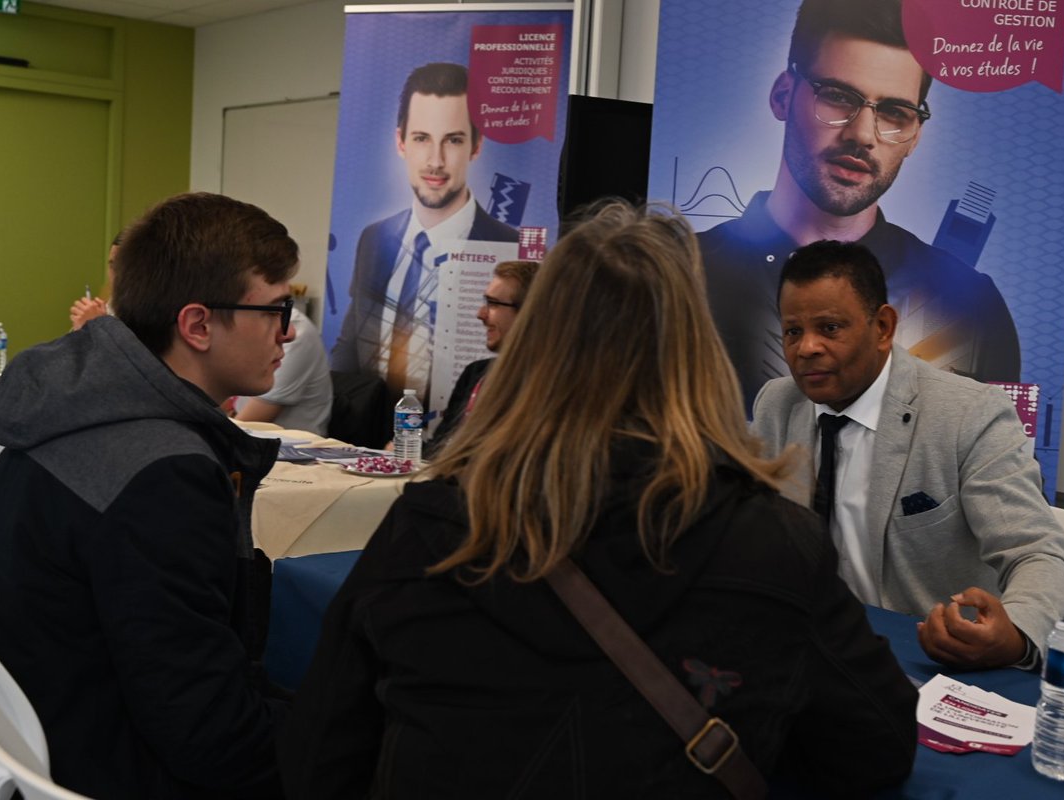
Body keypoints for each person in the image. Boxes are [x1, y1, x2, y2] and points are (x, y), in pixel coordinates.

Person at [279, 202, 917, 798]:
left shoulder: (429, 528)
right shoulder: (775, 545)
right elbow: (876, 749)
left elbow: (321, 755)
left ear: (536, 347)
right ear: (697, 351)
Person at [0, 192, 297, 799]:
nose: (287, 335)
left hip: (38, 749)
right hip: (107, 769)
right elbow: (205, 733)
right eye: (277, 310)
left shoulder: (66, 410)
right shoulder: (162, 472)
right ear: (197, 325)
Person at [751, 239, 1064, 670]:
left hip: (932, 662)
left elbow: (1038, 553)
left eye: (830, 328)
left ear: (883, 327)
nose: (806, 348)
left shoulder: (967, 414)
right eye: (793, 331)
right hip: (808, 648)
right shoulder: (778, 404)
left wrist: (1014, 634)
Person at [699, 0, 1020, 416]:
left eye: (894, 112)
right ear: (782, 95)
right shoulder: (675, 279)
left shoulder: (970, 307)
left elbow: (998, 470)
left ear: (916, 134)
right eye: (837, 96)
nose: (863, 134)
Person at [329, 62, 519, 403]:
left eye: (453, 140)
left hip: (454, 436)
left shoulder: (510, 249)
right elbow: (351, 344)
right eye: (421, 138)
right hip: (370, 437)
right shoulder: (374, 239)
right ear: (401, 142)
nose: (435, 160)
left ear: (476, 146)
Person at [424, 258, 539, 456]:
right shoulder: (476, 373)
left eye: (493, 304)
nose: (480, 314)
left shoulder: (547, 387)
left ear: (528, 312)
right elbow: (442, 449)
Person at [235, 307, 333, 435]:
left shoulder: (295, 332)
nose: (290, 334)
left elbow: (249, 422)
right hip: (247, 437)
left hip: (289, 447)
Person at [70, 232, 121, 331]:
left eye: (124, 267)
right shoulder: (110, 303)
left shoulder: (153, 313)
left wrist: (97, 326)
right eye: (112, 265)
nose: (115, 275)